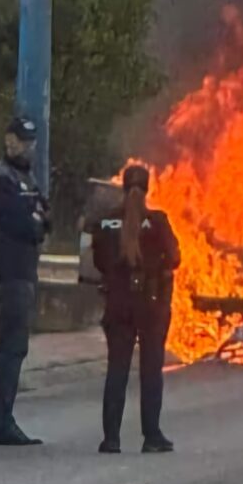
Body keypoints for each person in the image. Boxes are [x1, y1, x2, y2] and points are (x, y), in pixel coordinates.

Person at [91, 164, 180, 454]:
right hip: (150, 305)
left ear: (123, 187)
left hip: (117, 304)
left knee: (117, 370)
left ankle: (111, 438)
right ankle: (151, 436)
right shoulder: (157, 221)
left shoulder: (104, 223)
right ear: (148, 189)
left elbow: (98, 263)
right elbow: (175, 258)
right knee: (150, 370)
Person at [0, 116, 50, 446]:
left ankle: (5, 420)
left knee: (17, 347)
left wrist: (38, 220)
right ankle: (1, 423)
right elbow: (23, 225)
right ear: (9, 141)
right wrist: (36, 221)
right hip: (10, 272)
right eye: (22, 140)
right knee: (10, 348)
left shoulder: (27, 178)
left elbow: (44, 219)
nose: (26, 146)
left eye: (30, 141)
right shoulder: (1, 180)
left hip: (26, 271)